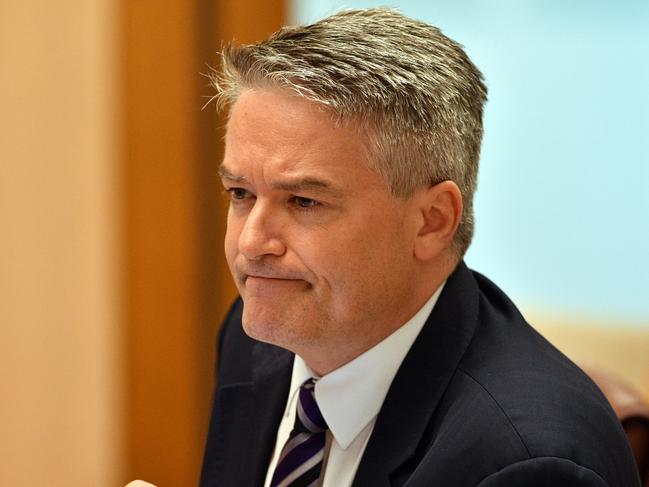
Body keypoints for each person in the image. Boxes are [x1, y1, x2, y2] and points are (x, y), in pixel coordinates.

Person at [199, 8, 640, 487]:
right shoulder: (262, 338)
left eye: (304, 201)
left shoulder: (527, 463)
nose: (252, 243)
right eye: (241, 194)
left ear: (432, 221)